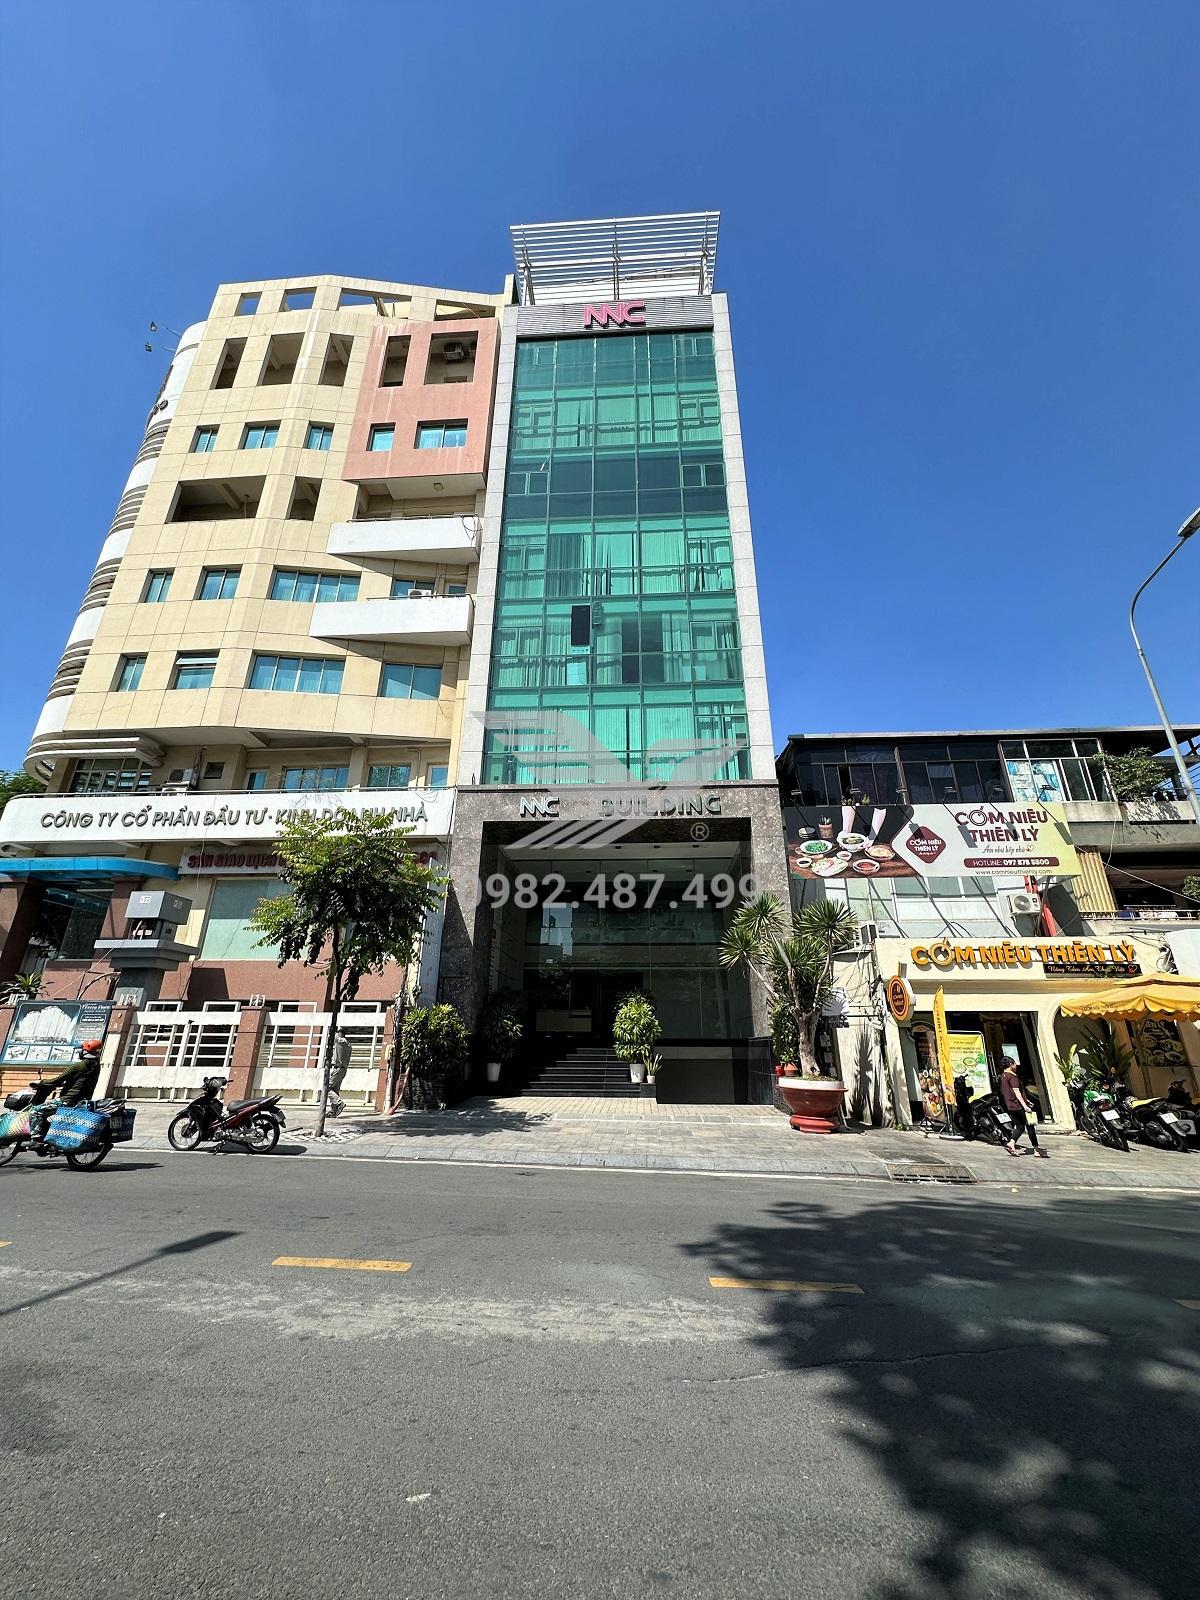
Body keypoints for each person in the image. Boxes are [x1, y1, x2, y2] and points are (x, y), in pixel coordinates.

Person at [999, 1057, 1048, 1158]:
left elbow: (1010, 1092)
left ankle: (1011, 1143)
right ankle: (1036, 1150)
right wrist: (1025, 1106)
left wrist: (1026, 1100)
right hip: (1018, 1105)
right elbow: (1016, 1092)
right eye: (1014, 1064)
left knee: (1020, 1127)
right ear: (1010, 1064)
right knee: (1030, 1127)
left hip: (1010, 1105)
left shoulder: (1003, 1076)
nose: (1016, 1066)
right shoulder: (1012, 1077)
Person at [42, 1039, 104, 1107]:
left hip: (67, 1100)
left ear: (84, 1051)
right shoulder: (96, 1066)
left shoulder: (78, 1066)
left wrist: (41, 1083)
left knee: (38, 1110)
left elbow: (57, 1080)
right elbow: (81, 1080)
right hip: (83, 1101)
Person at [326, 1029, 352, 1118]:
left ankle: (339, 1103)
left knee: (327, 1088)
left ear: (340, 1034)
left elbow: (334, 1037)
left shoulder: (341, 1041)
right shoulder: (348, 1044)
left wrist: (332, 1030)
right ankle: (333, 1111)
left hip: (338, 1068)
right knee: (335, 1091)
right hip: (342, 1069)